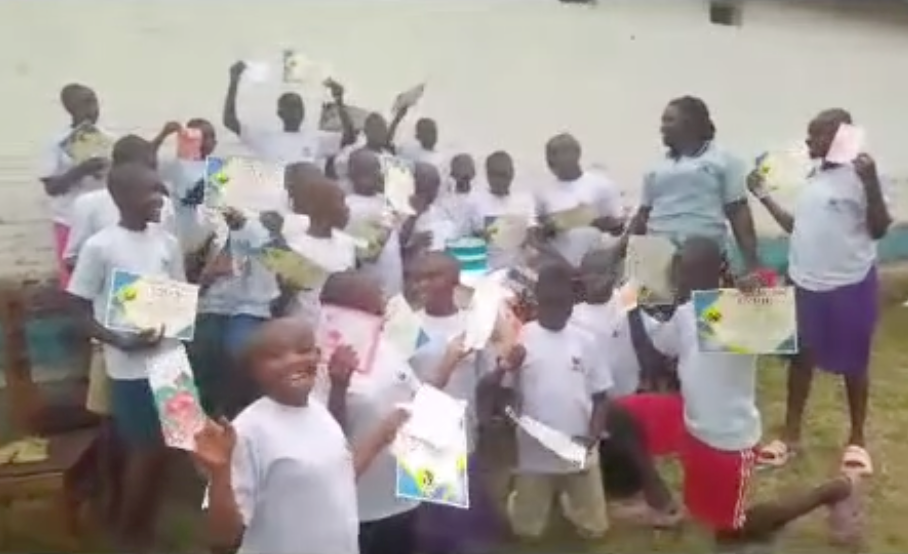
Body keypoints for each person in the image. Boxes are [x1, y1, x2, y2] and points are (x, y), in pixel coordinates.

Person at [618, 237, 864, 550]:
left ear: (716, 274)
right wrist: (635, 297)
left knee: (731, 534)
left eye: (689, 272)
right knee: (622, 413)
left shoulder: (731, 313)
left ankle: (836, 490)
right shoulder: (687, 313)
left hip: (727, 442)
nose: (681, 278)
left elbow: (802, 350)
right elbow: (660, 342)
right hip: (693, 426)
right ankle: (664, 506)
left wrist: (763, 302)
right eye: (680, 271)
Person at [748, 109, 890, 474]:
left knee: (854, 362)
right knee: (800, 358)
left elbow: (878, 229)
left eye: (816, 137)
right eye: (809, 136)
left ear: (840, 137)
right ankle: (790, 435)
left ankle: (857, 440)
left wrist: (872, 182)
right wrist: (763, 196)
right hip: (805, 281)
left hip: (848, 282)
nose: (808, 143)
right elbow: (799, 227)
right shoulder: (812, 175)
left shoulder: (860, 176)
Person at [193, 317, 411, 554]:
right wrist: (220, 473)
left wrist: (381, 435)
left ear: (318, 356)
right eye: (275, 356)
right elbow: (222, 538)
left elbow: (339, 478)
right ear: (254, 369)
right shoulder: (248, 431)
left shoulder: (319, 414)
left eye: (304, 350)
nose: (293, 361)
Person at [66, 162, 185, 551]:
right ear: (122, 197)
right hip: (129, 366)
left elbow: (178, 295)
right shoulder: (100, 246)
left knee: (174, 445)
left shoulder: (167, 242)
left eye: (160, 189)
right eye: (150, 191)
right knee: (144, 450)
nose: (159, 198)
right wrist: (118, 340)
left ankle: (148, 524)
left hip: (171, 360)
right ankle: (129, 534)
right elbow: (77, 309)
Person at [317, 271, 477, 554]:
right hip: (362, 508)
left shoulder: (386, 345)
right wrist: (339, 388)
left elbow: (417, 401)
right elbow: (325, 437)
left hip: (406, 496)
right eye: (372, 302)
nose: (383, 304)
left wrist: (449, 361)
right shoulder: (319, 364)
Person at [495, 261, 611, 541]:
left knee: (594, 530)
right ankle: (521, 500)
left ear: (572, 301)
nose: (557, 309)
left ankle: (572, 506)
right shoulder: (521, 338)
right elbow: (504, 395)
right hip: (534, 452)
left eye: (564, 302)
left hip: (578, 448)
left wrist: (592, 438)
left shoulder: (586, 341)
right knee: (527, 532)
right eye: (550, 302)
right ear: (538, 299)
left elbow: (601, 395)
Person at [408, 252, 504, 554]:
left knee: (467, 523)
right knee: (433, 524)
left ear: (454, 280)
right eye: (418, 276)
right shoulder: (406, 326)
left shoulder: (473, 324)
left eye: (433, 275)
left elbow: (486, 378)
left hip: (466, 433)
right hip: (421, 434)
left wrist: (503, 373)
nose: (423, 283)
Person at [627, 96, 762, 287]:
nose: (662, 128)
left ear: (690, 124)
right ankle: (654, 308)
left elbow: (738, 211)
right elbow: (642, 215)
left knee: (703, 310)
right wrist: (616, 250)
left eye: (669, 120)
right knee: (650, 307)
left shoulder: (723, 160)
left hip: (703, 255)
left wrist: (753, 264)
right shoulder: (655, 167)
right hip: (656, 252)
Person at [40, 83, 114, 287]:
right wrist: (81, 170)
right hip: (69, 222)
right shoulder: (55, 142)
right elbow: (51, 188)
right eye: (86, 103)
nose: (93, 109)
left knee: (104, 279)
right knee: (75, 282)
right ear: (70, 108)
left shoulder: (107, 139)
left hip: (103, 220)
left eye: (95, 102)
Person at [222, 61, 355, 165]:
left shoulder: (316, 140)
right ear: (280, 113)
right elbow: (229, 121)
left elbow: (349, 138)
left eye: (299, 107)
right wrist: (234, 81)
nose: (296, 112)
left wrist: (339, 100)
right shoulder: (266, 139)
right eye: (291, 107)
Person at [533, 133, 624, 267]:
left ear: (576, 154)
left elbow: (619, 229)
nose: (550, 160)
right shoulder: (542, 192)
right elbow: (538, 236)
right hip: (559, 267)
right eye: (548, 155)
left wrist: (595, 222)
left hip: (594, 265)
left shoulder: (602, 186)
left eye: (556, 153)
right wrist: (549, 228)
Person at [345, 148, 404, 298]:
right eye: (366, 171)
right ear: (351, 174)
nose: (376, 175)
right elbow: (370, 254)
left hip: (394, 290)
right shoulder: (349, 206)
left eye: (376, 169)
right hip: (371, 293)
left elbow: (396, 240)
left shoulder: (383, 200)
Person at [468, 151, 535, 270]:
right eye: (496, 174)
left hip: (516, 272)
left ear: (512, 174)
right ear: (488, 175)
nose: (501, 180)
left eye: (505, 174)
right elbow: (468, 240)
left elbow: (531, 236)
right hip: (485, 272)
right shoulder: (474, 201)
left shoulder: (524, 201)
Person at [399, 162, 455, 261]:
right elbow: (377, 251)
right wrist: (412, 243)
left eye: (435, 184)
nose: (431, 191)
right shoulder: (397, 214)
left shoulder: (442, 211)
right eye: (423, 185)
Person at [439, 153, 477, 238]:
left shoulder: (480, 198)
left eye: (467, 174)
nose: (465, 177)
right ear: (453, 175)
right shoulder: (445, 203)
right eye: (462, 174)